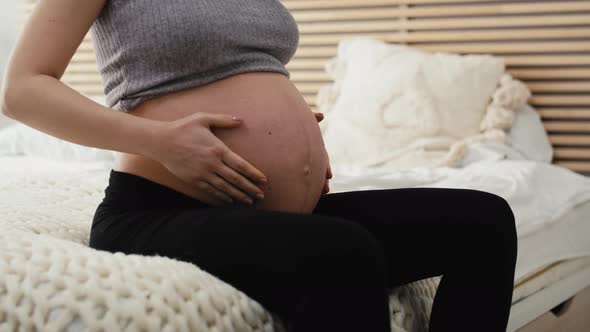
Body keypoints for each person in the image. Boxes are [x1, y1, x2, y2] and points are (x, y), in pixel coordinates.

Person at [1, 1, 518, 331]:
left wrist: (298, 136)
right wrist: (160, 141)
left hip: (275, 212)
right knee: (343, 252)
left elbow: (243, 69)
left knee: (485, 222)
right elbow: (22, 90)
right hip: (160, 210)